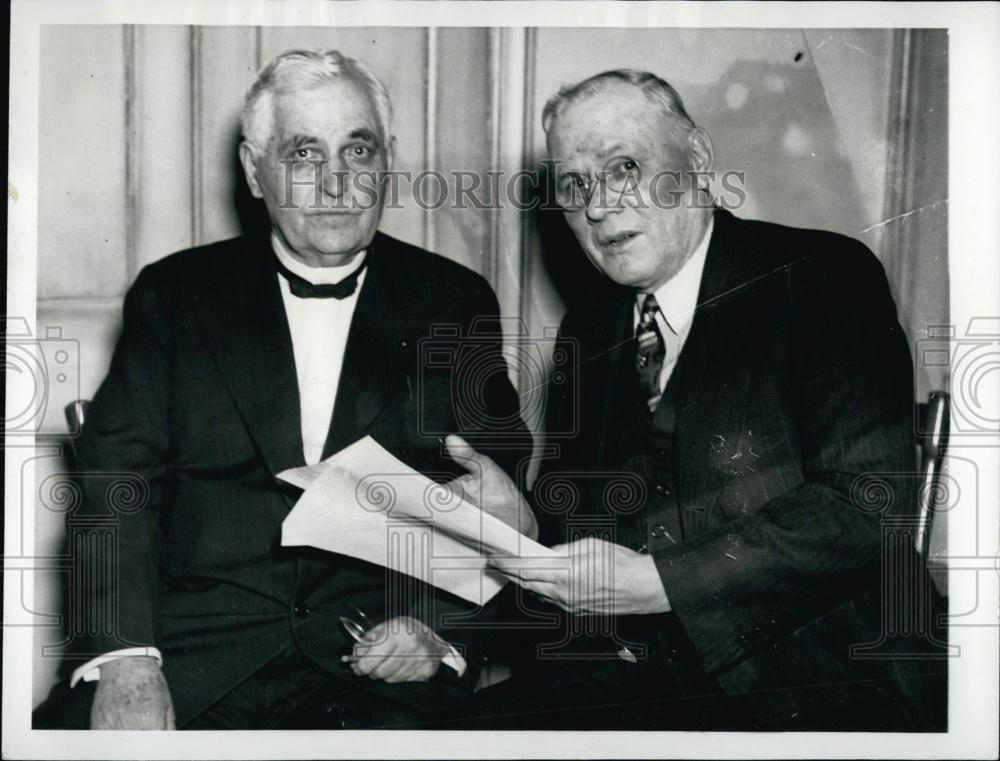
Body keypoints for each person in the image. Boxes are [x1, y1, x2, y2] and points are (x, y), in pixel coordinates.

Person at [33, 49, 530, 730]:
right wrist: (126, 660)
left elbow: (504, 505)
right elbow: (115, 485)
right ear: (253, 170)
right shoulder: (175, 296)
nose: (335, 183)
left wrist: (440, 629)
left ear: (388, 160)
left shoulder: (455, 301)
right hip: (188, 659)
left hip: (377, 672)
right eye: (303, 154)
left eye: (357, 151)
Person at [461, 69, 947, 731]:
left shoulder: (822, 277)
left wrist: (659, 582)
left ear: (697, 157)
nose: (598, 207)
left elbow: (865, 506)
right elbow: (579, 525)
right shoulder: (591, 326)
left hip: (820, 680)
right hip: (636, 682)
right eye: (575, 186)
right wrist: (517, 525)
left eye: (623, 166)